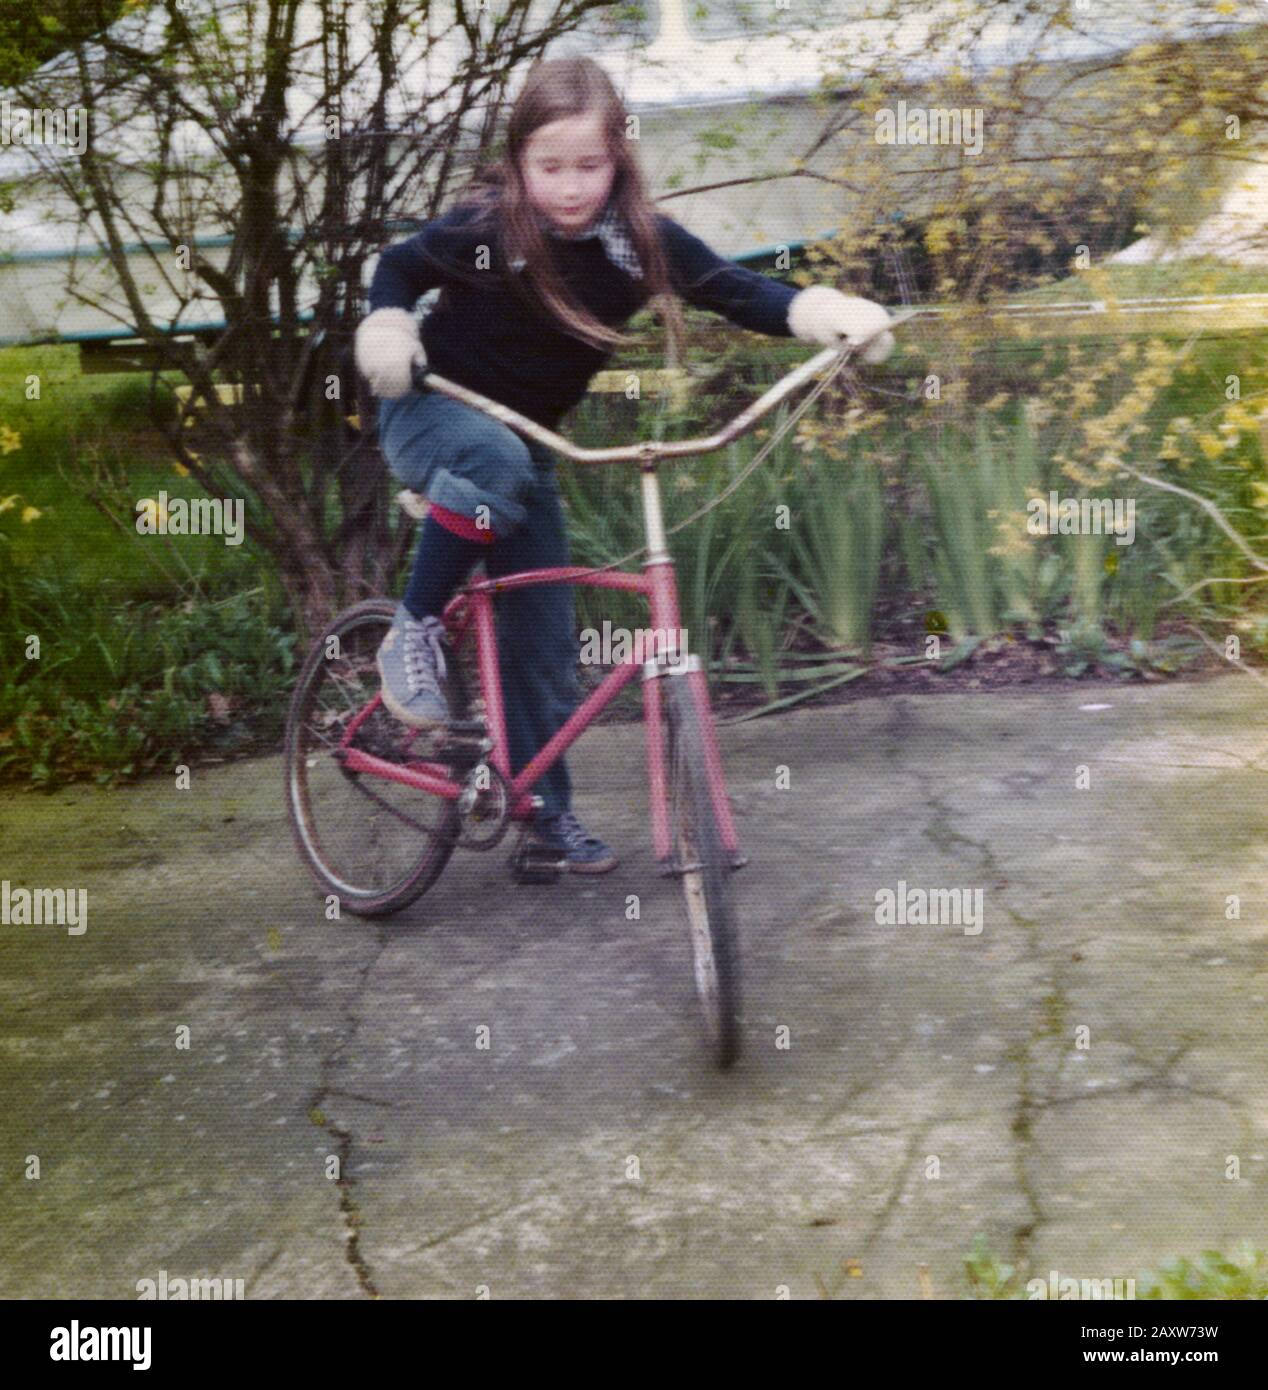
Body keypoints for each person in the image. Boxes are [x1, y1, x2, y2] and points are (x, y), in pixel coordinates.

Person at [355, 55, 894, 875]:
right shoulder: (489, 231)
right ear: (518, 163)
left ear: (619, 161)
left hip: (522, 446)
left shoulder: (637, 244)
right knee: (495, 457)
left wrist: (828, 316)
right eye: (550, 168)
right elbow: (399, 265)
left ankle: (542, 819)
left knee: (544, 640)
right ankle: (412, 630)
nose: (571, 188)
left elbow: (734, 288)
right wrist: (389, 329)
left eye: (590, 166)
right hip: (425, 414)